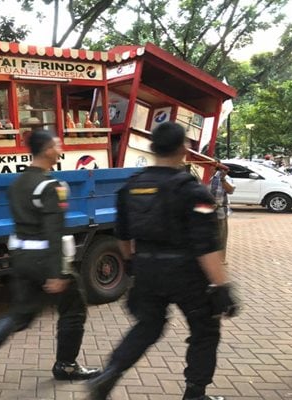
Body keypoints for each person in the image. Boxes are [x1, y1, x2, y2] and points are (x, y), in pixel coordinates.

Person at [87, 122, 240, 400]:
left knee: (149, 325)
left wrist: (132, 263)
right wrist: (222, 286)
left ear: (153, 148)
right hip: (187, 274)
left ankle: (110, 372)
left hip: (146, 269)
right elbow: (207, 247)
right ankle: (195, 393)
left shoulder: (131, 187)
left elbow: (122, 235)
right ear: (183, 149)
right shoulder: (193, 191)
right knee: (205, 330)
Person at [0, 130, 100, 387]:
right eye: (57, 145)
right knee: (74, 308)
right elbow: (53, 232)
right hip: (44, 259)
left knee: (21, 313)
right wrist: (56, 273)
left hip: (22, 257)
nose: (60, 149)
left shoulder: (18, 183)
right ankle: (67, 365)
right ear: (47, 150)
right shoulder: (51, 187)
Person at [209, 163, 235, 265]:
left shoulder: (224, 177)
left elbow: (231, 190)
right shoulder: (201, 176)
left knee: (221, 236)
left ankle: (221, 259)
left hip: (220, 211)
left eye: (210, 165)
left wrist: (223, 179)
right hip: (204, 211)